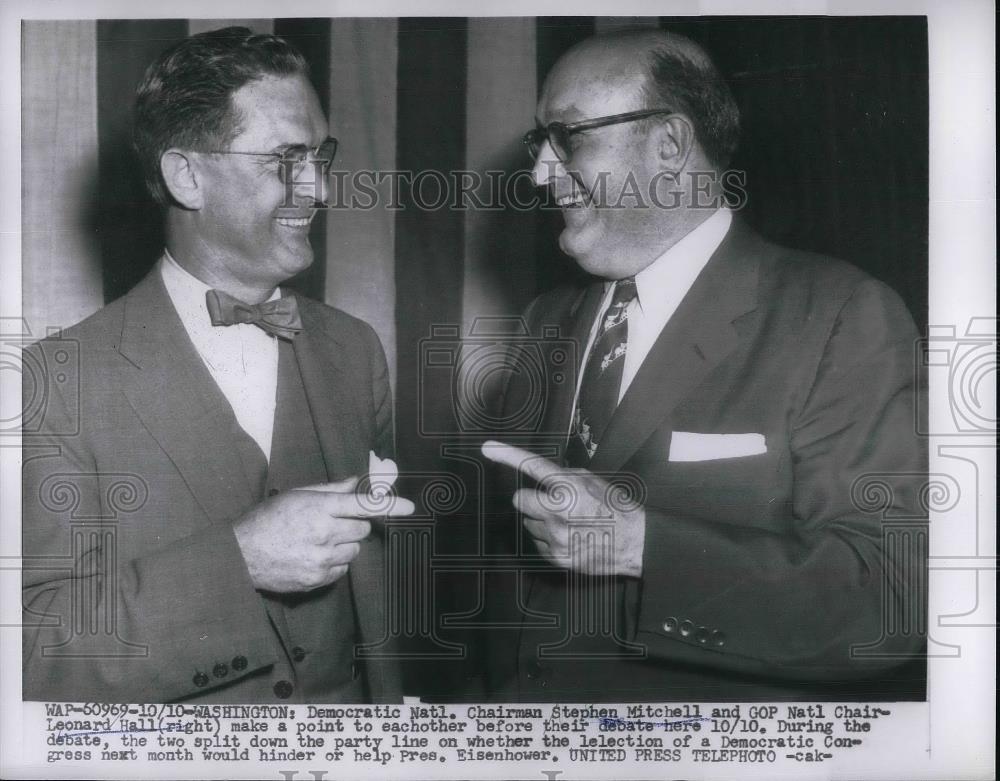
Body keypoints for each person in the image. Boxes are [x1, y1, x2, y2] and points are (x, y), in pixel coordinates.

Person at [481, 29, 926, 702]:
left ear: (668, 144)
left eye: (568, 137)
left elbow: (887, 600)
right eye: (537, 143)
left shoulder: (840, 314)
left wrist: (642, 546)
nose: (541, 171)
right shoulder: (548, 319)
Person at [22, 27, 412, 703]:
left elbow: (379, 603)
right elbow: (28, 650)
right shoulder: (54, 383)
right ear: (187, 175)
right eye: (285, 160)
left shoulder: (357, 350)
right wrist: (240, 562)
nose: (318, 189)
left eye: (321, 156)